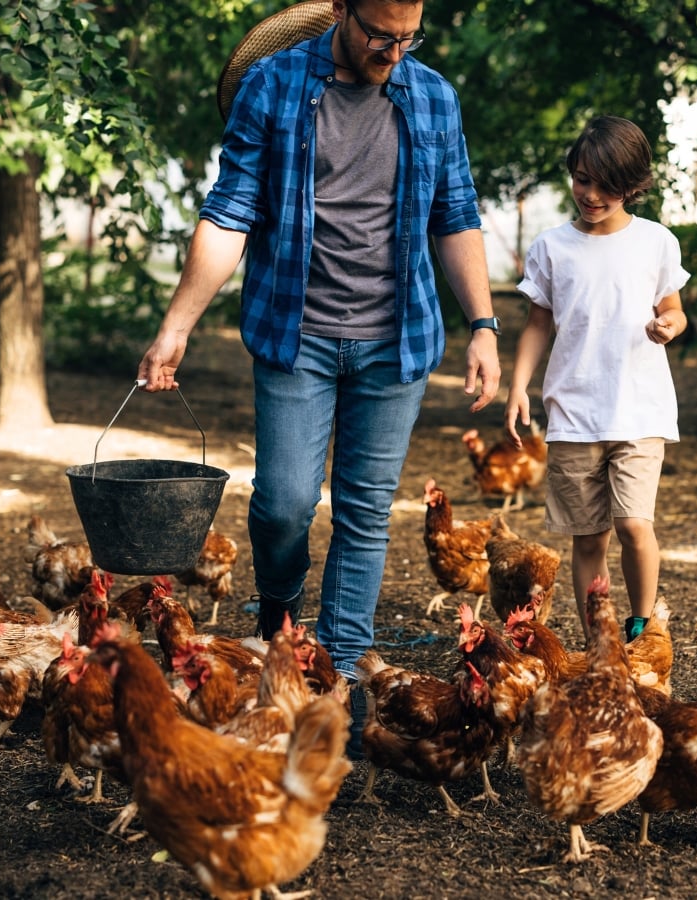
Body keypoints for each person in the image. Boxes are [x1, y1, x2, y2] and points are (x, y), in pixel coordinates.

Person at [136, 0, 501, 756]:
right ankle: (279, 612)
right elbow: (230, 211)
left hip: (396, 342)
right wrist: (176, 328)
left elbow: (455, 212)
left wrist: (484, 325)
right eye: (379, 34)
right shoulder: (272, 86)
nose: (393, 52)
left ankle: (336, 690)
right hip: (294, 335)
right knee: (284, 506)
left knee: (366, 516)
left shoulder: (432, 95)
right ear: (341, 8)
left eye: (409, 37)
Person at [504, 115, 688, 642]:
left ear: (632, 186)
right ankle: (597, 642)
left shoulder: (656, 242)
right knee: (588, 540)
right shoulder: (551, 247)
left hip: (639, 409)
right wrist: (518, 386)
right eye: (582, 179)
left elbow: (674, 310)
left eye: (607, 186)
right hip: (573, 412)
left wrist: (667, 326)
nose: (591, 194)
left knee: (633, 525)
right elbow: (538, 323)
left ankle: (640, 625)